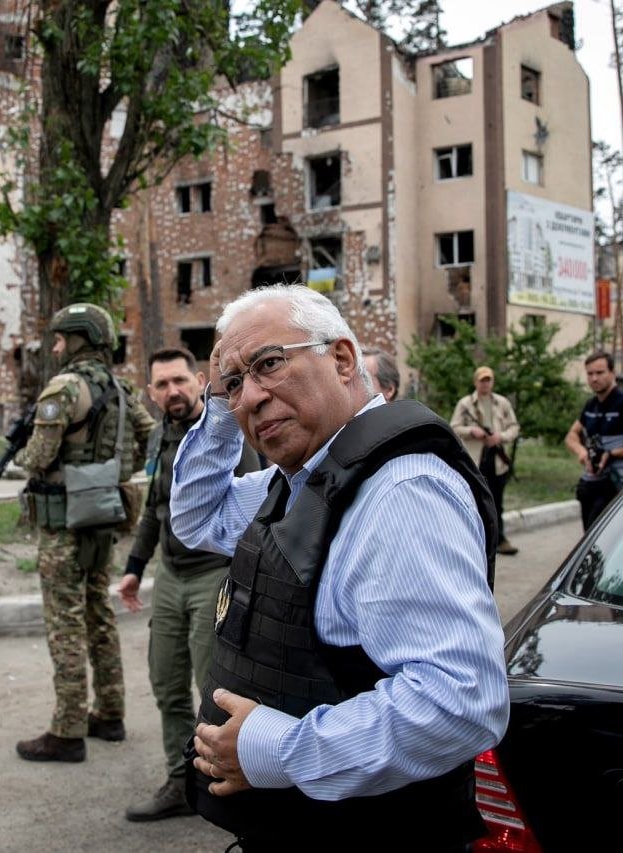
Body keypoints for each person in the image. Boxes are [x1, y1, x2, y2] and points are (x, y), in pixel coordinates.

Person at [169, 285, 507, 851]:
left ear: (343, 359)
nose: (250, 398)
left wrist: (280, 751)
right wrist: (220, 403)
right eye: (235, 384)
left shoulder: (401, 493)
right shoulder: (303, 479)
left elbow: (461, 701)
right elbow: (198, 516)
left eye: (269, 364)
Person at [117, 347, 259, 821]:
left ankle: (224, 790)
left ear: (200, 381)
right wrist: (135, 567)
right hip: (170, 576)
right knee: (166, 682)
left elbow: (255, 511)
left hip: (214, 573)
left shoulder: (227, 434)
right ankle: (180, 784)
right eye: (161, 384)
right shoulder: (161, 436)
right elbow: (155, 511)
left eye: (179, 380)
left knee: (212, 688)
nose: (172, 391)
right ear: (150, 392)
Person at [14, 303, 155, 763]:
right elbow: (149, 435)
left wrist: (21, 458)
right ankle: (110, 714)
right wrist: (115, 471)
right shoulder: (120, 389)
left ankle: (68, 729)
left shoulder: (65, 387)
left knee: (65, 623)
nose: (56, 348)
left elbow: (39, 456)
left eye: (60, 339)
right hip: (102, 516)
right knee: (98, 612)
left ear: (78, 339)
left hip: (63, 524)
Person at [451, 365, 521, 555]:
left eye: (488, 380)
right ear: (475, 382)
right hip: (475, 460)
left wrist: (501, 437)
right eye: (482, 380)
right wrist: (472, 431)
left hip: (497, 459)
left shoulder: (502, 403)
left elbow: (514, 427)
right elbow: (454, 427)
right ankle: (476, 541)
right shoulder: (465, 404)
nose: (485, 384)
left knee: (497, 502)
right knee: (475, 501)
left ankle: (499, 539)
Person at [565, 350, 623, 529]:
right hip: (591, 484)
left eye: (600, 373)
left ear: (612, 372)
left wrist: (611, 453)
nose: (594, 378)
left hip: (616, 486)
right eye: (590, 374)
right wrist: (582, 453)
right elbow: (571, 436)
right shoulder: (591, 405)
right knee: (589, 536)